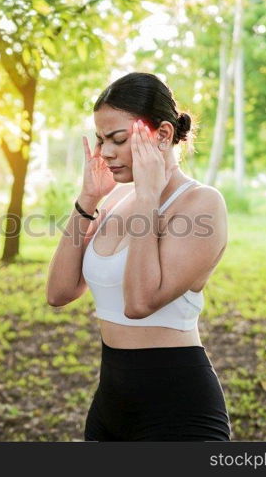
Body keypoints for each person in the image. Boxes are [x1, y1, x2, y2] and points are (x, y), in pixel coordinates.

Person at [46, 72, 231, 441]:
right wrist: (87, 200)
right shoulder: (114, 200)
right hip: (110, 407)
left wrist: (149, 197)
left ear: (162, 135)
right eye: (101, 140)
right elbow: (59, 292)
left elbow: (139, 302)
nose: (105, 153)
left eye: (118, 139)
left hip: (178, 411)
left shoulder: (201, 204)